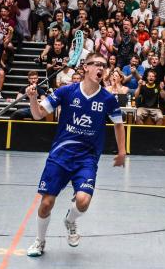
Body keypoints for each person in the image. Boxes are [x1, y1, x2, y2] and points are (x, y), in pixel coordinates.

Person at [24, 52, 125, 257]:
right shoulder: (66, 92)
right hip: (60, 155)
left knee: (83, 201)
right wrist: (33, 98)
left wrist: (122, 151)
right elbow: (37, 114)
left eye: (104, 65)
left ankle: (70, 220)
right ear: (85, 68)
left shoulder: (108, 99)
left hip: (87, 158)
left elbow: (118, 124)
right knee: (46, 204)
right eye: (96, 64)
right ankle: (40, 241)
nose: (101, 68)